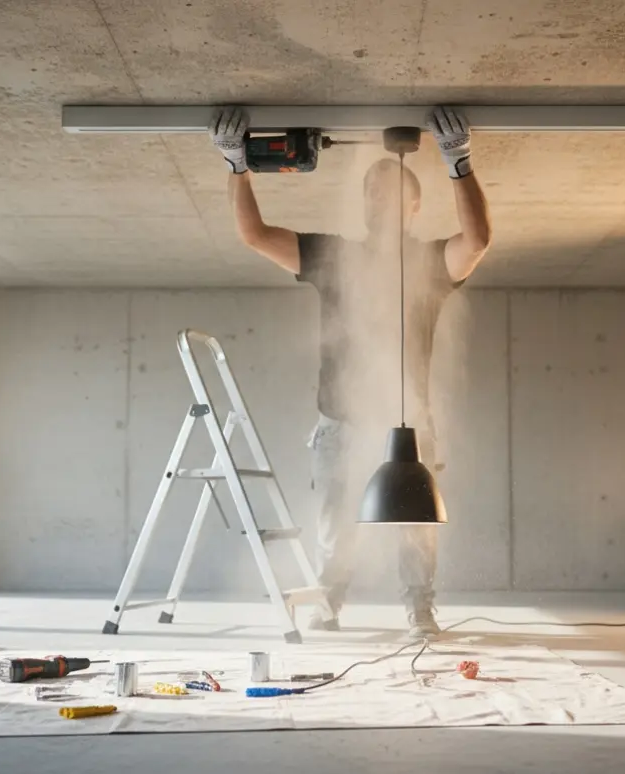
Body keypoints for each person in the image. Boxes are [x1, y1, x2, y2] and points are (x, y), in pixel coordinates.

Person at [210, 106, 492, 639]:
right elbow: (254, 235)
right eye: (368, 191)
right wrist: (236, 166)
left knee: (415, 526)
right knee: (335, 530)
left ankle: (420, 610)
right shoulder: (332, 256)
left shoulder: (429, 263)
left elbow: (475, 242)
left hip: (407, 425)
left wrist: (459, 163)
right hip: (338, 421)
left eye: (387, 190)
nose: (374, 199)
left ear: (413, 205)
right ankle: (330, 604)